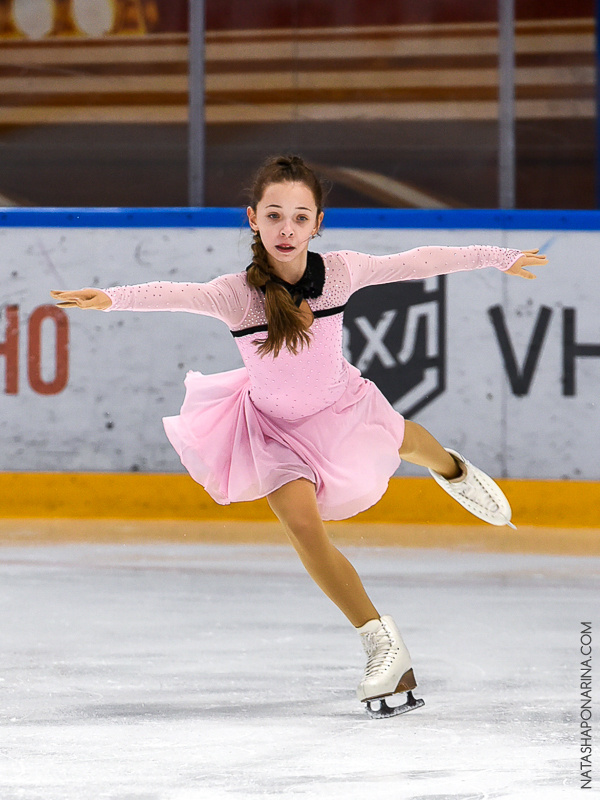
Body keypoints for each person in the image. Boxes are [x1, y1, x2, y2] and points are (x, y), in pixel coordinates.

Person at [51, 154, 547, 718]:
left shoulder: (340, 272)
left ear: (318, 224)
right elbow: (173, 292)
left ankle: (451, 469)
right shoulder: (234, 295)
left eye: (300, 216)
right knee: (305, 531)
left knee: (405, 442)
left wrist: (498, 256)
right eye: (274, 215)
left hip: (341, 408)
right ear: (253, 219)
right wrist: (110, 297)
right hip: (272, 432)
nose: (286, 229)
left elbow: (415, 261)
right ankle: (382, 644)